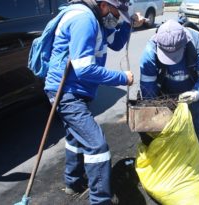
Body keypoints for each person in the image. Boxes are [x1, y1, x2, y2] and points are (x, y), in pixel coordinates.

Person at [44, 0, 143, 204]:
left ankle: (73, 182)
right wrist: (122, 78)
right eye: (117, 14)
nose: (116, 19)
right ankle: (100, 200)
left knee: (75, 137)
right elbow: (85, 70)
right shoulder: (85, 20)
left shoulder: (97, 19)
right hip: (66, 92)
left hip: (76, 89)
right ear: (105, 5)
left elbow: (115, 44)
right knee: (97, 146)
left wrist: (127, 24)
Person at [139, 19, 199, 140]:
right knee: (165, 130)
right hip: (165, 94)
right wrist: (153, 108)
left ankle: (192, 152)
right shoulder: (150, 51)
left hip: (193, 93)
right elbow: (148, 85)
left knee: (192, 125)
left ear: (185, 44)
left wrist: (196, 93)